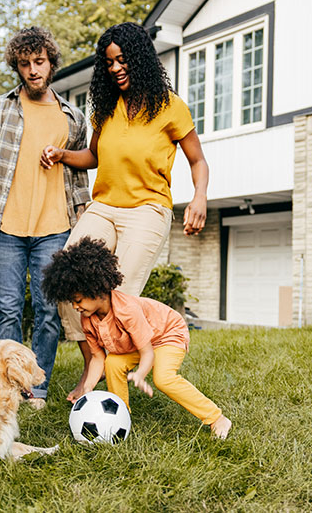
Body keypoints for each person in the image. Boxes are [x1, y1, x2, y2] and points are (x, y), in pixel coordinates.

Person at [40, 22, 210, 400]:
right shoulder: (107, 106)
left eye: (122, 60)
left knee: (118, 296)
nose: (116, 68)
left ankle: (117, 374)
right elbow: (94, 156)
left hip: (148, 209)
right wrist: (63, 154)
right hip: (104, 205)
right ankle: (93, 362)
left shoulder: (169, 106)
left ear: (139, 59)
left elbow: (198, 160)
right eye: (109, 62)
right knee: (65, 279)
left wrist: (199, 197)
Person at [0, 26, 89, 409]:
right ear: (16, 67)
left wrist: (83, 226)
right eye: (24, 64)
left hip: (55, 229)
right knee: (8, 312)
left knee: (49, 311)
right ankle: (6, 388)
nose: (33, 70)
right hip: (6, 228)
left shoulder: (73, 118)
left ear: (51, 63)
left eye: (39, 62)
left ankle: (38, 389)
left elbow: (80, 177)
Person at [41, 237, 232, 440]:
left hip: (167, 334)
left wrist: (140, 373)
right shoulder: (87, 319)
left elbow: (147, 352)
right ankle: (122, 418)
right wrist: (88, 387)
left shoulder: (126, 310)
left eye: (78, 300)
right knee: (112, 363)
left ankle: (216, 418)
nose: (75, 307)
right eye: (72, 302)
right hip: (142, 342)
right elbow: (98, 358)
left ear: (96, 290)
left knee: (163, 378)